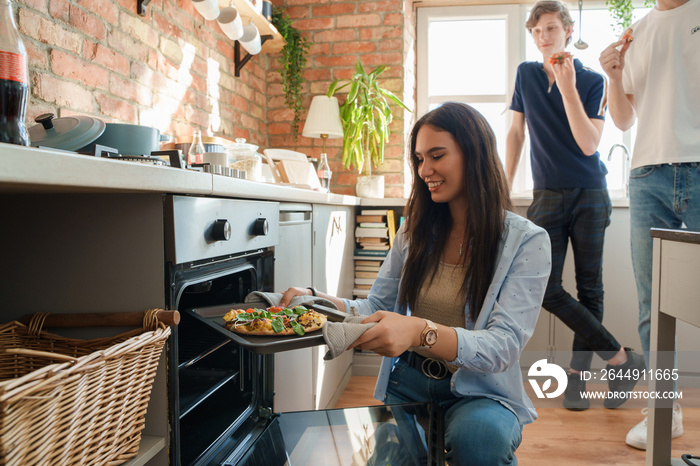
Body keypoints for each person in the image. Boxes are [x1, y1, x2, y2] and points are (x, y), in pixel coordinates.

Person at [280, 102, 551, 465]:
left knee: (481, 439)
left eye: (437, 156)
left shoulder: (526, 241)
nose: (425, 170)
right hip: (408, 381)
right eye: (420, 159)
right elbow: (375, 306)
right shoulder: (414, 229)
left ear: (475, 155)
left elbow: (502, 347)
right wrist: (315, 299)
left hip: (481, 391)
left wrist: (420, 331)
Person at [505, 0, 645, 412]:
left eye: (550, 29)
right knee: (544, 288)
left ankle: (579, 381)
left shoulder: (592, 81)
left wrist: (567, 87)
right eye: (536, 32)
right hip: (546, 195)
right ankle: (621, 359)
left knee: (590, 289)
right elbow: (516, 133)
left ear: (567, 30)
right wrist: (503, 186)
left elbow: (588, 144)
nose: (542, 38)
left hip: (589, 192)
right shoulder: (527, 75)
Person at [599, 0, 699, 449]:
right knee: (653, 304)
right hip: (646, 177)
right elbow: (623, 118)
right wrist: (613, 75)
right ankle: (666, 411)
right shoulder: (637, 32)